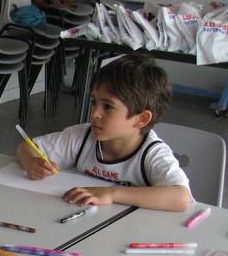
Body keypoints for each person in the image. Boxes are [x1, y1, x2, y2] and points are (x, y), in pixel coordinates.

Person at [16, 53, 191, 212]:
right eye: (94, 102)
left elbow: (181, 197)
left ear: (141, 119)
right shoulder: (82, 136)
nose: (94, 113)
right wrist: (31, 162)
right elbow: (27, 147)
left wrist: (111, 194)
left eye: (108, 106)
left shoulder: (152, 153)